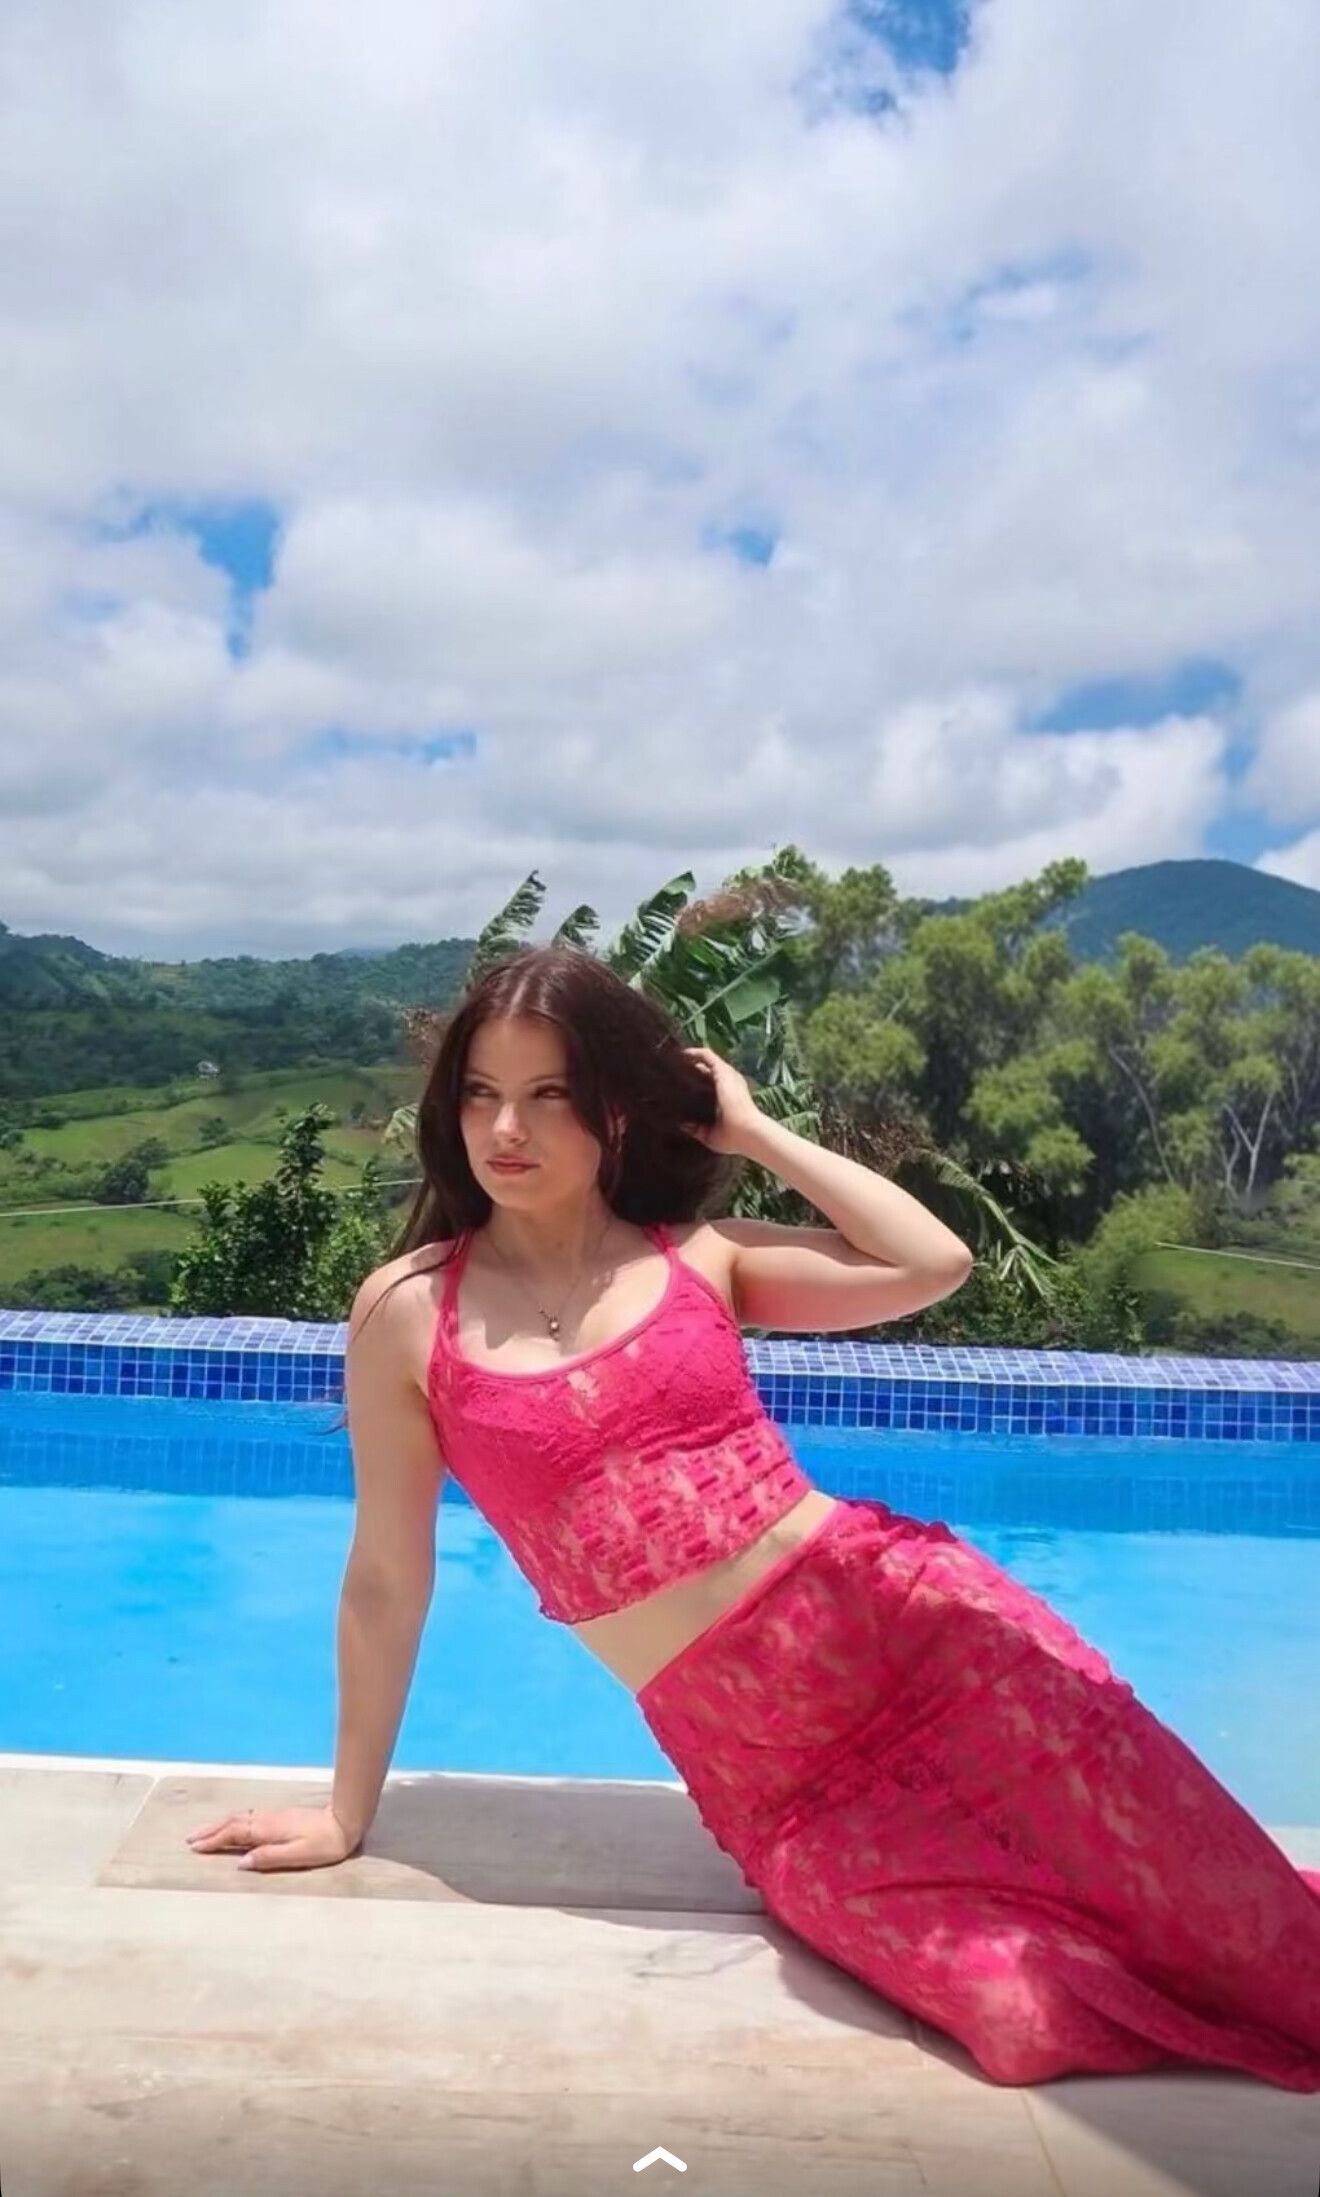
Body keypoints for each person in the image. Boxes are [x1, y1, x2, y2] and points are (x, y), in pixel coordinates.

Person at [188, 946, 1320, 2091]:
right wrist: (346, 1810)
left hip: (928, 1646)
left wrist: (756, 1132)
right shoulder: (408, 1310)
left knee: (1250, 1928)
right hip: (783, 1780)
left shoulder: (700, 1258)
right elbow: (386, 1577)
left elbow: (934, 1260)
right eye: (481, 1093)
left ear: (615, 1109)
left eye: (548, 1094)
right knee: (1019, 2013)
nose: (506, 1129)